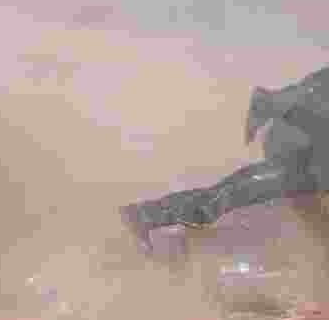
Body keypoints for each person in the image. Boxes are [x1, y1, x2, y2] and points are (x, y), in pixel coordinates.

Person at [120, 66, 329, 260]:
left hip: (303, 139)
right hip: (302, 145)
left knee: (298, 201)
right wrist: (277, 104)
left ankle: (160, 221)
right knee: (281, 184)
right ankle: (150, 215)